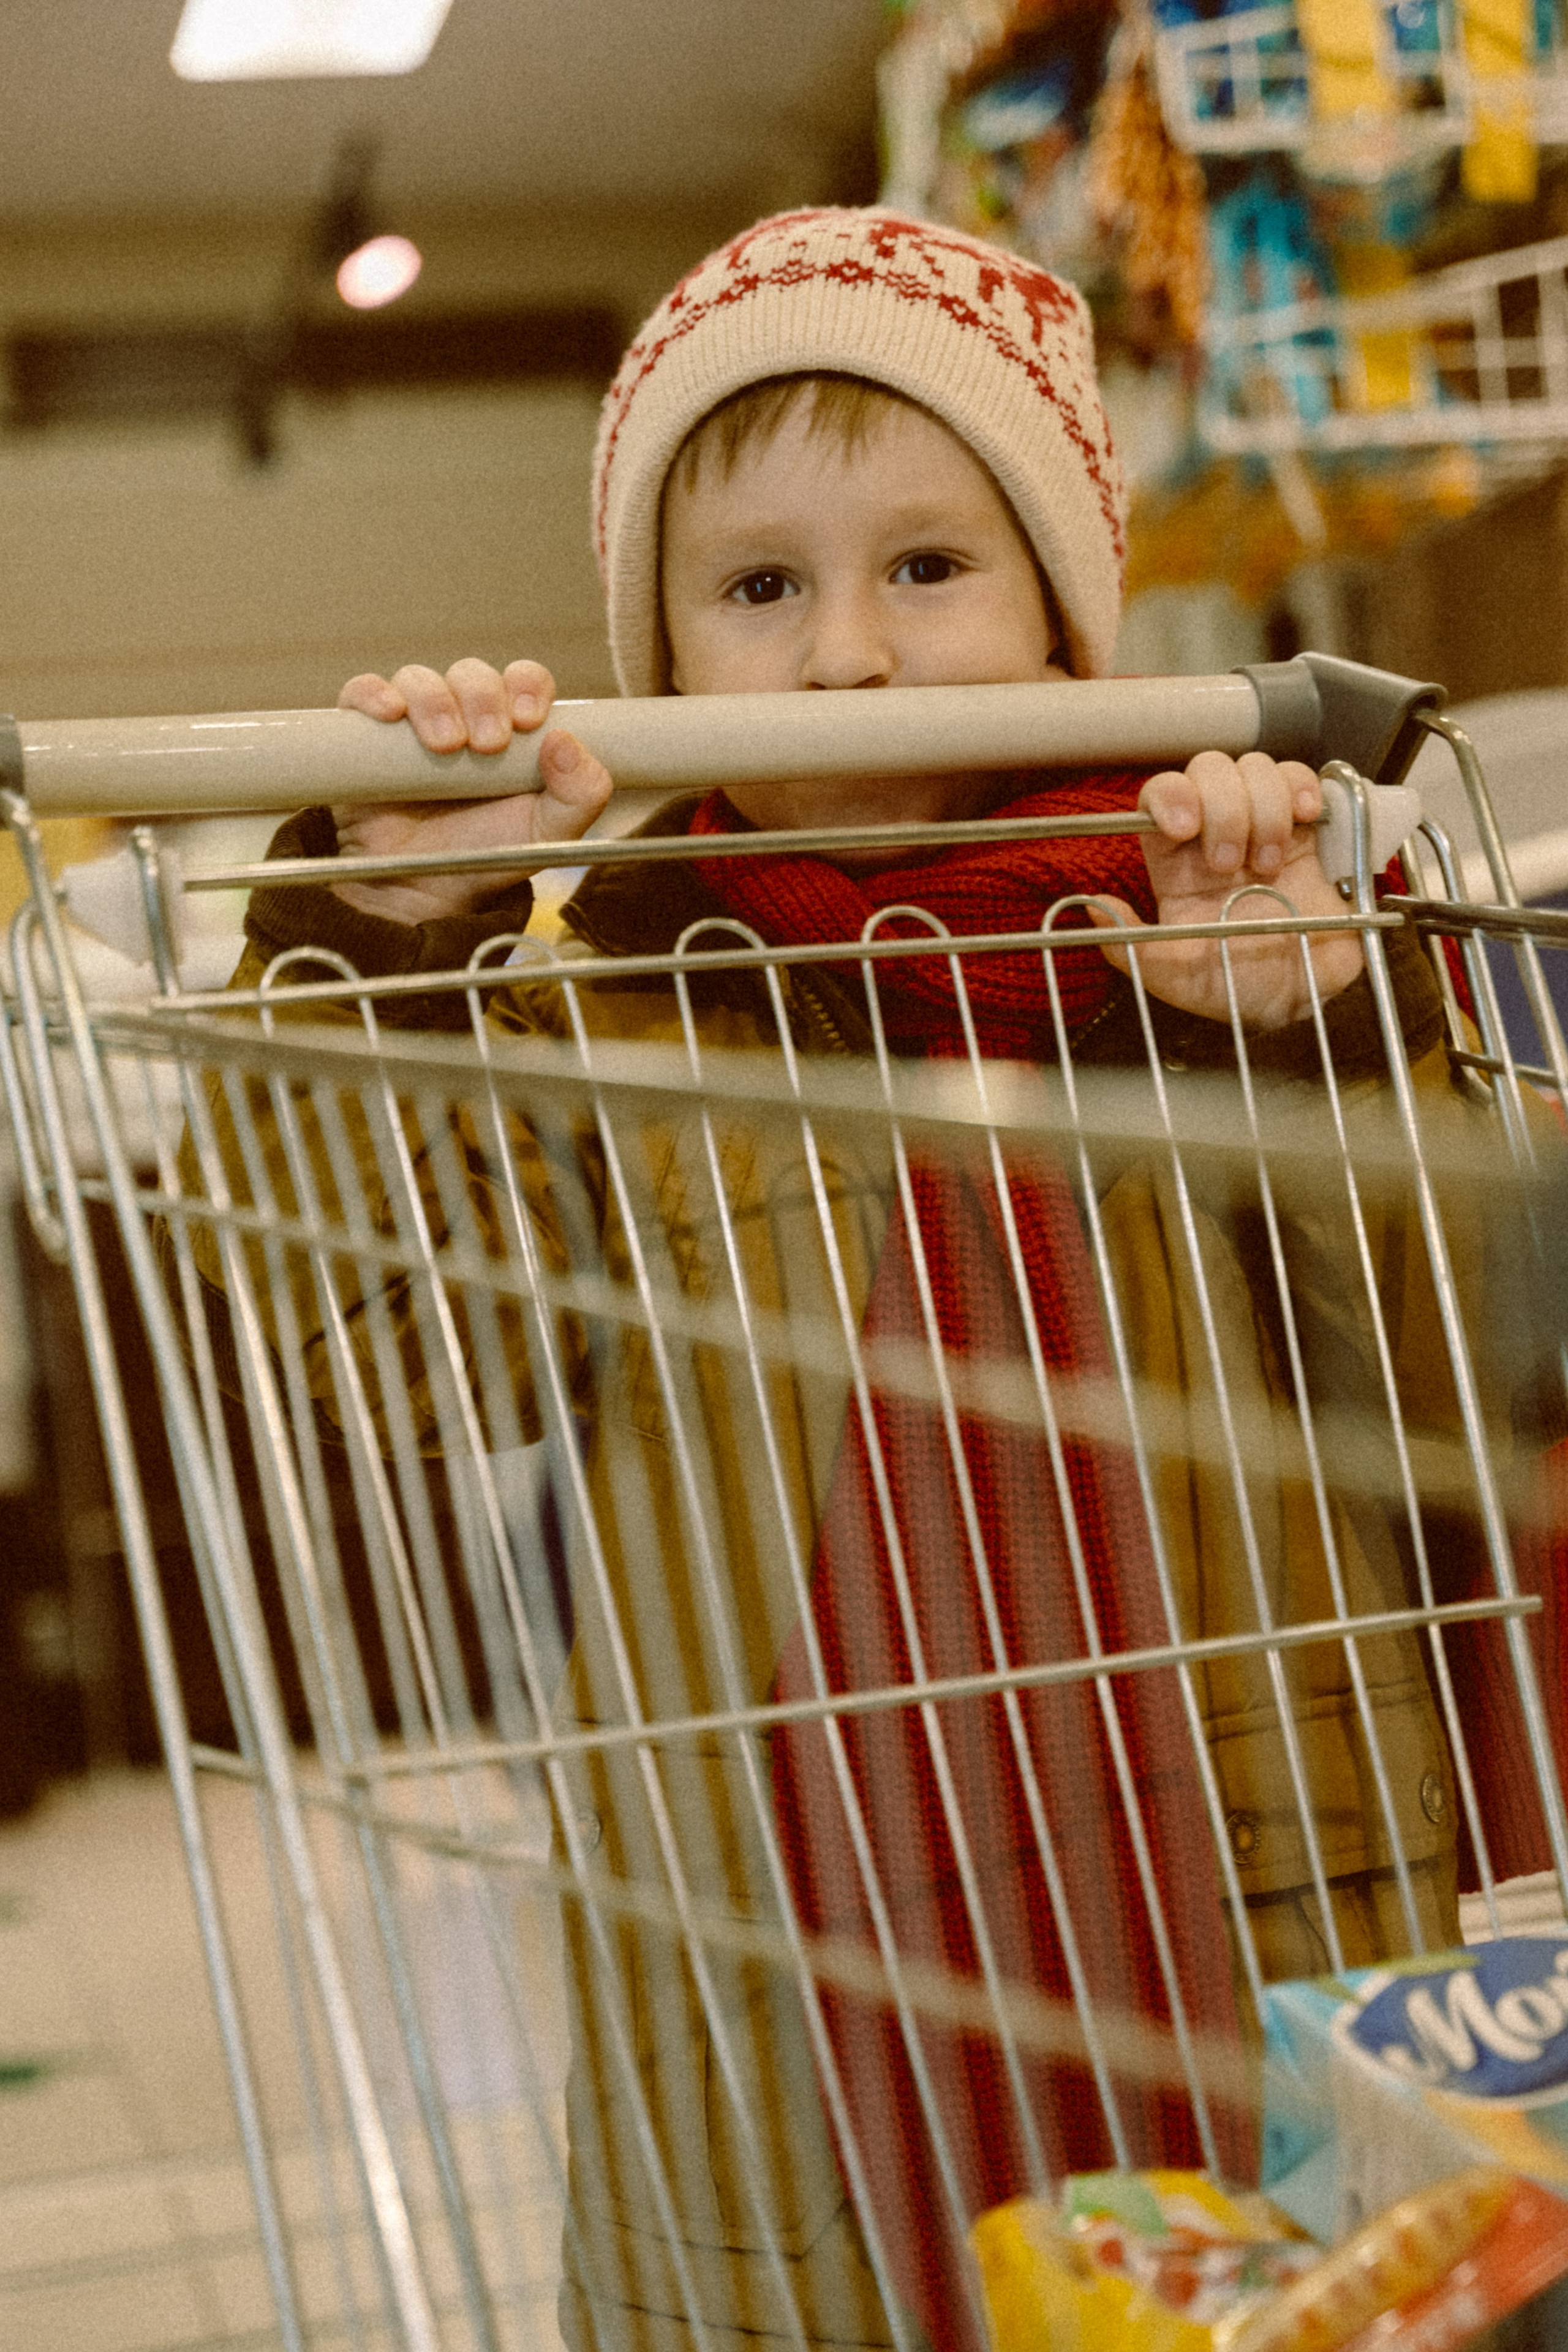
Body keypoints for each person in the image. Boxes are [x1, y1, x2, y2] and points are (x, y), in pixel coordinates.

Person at [186, 211, 1561, 2352]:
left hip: (1270, 1892)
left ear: (1066, 603)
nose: (844, 655)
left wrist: (1297, 1033)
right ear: (653, 656)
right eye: (757, 590)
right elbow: (392, 1361)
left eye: (928, 568)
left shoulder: (1219, 928)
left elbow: (1479, 1377)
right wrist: (394, 951)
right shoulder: (605, 1010)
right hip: (796, 1969)